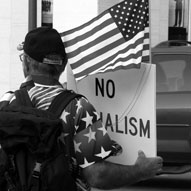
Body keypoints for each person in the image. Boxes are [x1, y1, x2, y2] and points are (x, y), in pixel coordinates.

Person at [0, 27, 163, 191]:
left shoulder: (8, 101)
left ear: (26, 63)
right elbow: (97, 175)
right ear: (63, 65)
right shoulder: (78, 107)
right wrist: (140, 171)